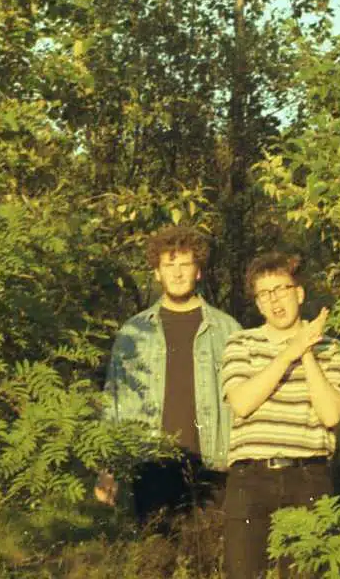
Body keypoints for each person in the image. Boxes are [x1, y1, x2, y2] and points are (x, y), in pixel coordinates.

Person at [95, 225, 241, 530]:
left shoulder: (228, 330)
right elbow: (113, 402)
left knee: (211, 554)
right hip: (151, 465)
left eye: (185, 264)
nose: (177, 273)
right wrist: (108, 469)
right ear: (157, 272)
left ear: (198, 271)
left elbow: (243, 403)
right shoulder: (134, 332)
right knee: (156, 553)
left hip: (213, 465)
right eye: (169, 265)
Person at [220, 252, 340, 579]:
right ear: (258, 304)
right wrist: (289, 352)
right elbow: (242, 403)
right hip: (250, 478)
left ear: (299, 293)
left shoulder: (332, 350)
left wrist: (306, 351)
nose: (274, 300)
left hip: (308, 478)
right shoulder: (240, 344)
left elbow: (331, 414)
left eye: (281, 289)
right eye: (264, 294)